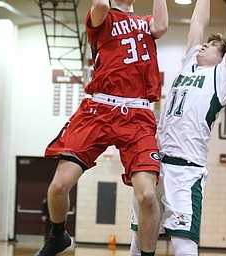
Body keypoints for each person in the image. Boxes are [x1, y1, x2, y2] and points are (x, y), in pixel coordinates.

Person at [34, 0, 168, 255]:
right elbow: (99, 3)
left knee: (148, 197)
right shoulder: (101, 18)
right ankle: (57, 234)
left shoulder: (146, 22)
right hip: (99, 109)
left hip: (137, 113)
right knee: (59, 186)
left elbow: (161, 26)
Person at [130, 0, 226, 255]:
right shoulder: (190, 62)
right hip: (154, 163)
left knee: (184, 246)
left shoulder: (223, 76)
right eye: (208, 42)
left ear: (224, 57)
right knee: (139, 238)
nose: (205, 44)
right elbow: (197, 22)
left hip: (185, 170)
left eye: (213, 45)